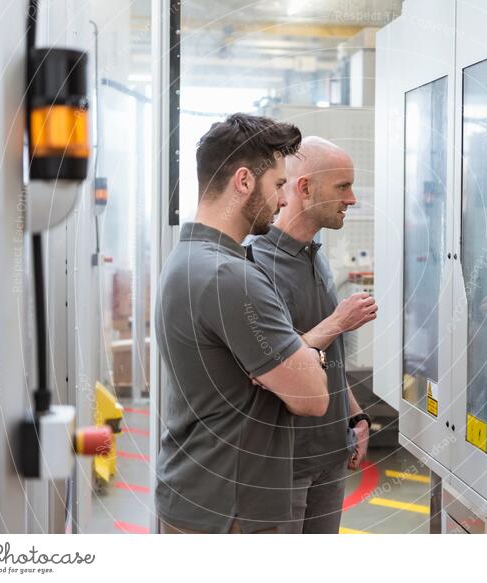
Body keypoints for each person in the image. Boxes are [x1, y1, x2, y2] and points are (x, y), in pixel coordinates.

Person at [154, 114, 329, 534]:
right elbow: (313, 398)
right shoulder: (229, 277)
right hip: (231, 511)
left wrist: (288, 361)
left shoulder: (187, 259)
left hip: (197, 497)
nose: (284, 200)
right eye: (278, 185)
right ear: (244, 181)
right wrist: (310, 354)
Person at [250, 136, 378, 534]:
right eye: (343, 186)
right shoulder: (254, 266)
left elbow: (329, 356)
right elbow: (267, 368)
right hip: (284, 466)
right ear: (304, 188)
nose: (353, 198)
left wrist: (355, 416)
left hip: (329, 455)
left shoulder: (316, 257)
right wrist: (337, 322)